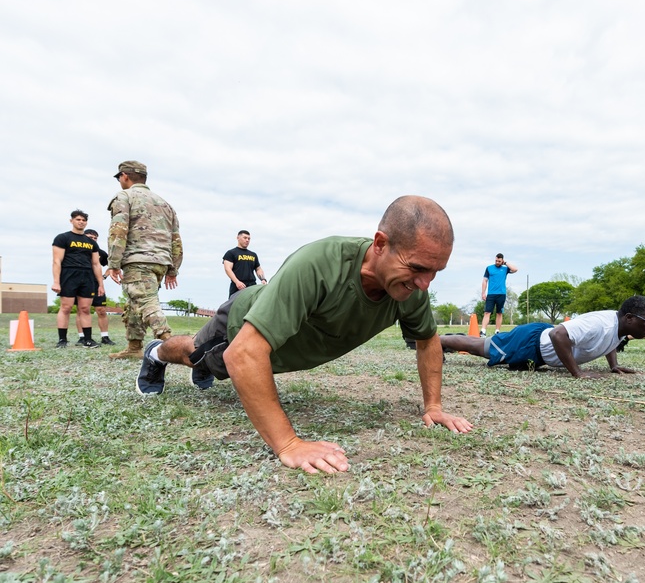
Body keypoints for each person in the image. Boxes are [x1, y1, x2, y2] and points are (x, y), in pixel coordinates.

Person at [136, 196, 473, 474]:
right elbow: (242, 354)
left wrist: (434, 405)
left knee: (213, 365)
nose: (425, 283)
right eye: (416, 268)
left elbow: (428, 339)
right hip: (240, 322)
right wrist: (288, 444)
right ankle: (154, 353)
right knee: (195, 353)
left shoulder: (411, 292)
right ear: (381, 243)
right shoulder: (320, 264)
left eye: (435, 272)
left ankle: (200, 367)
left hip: (264, 351)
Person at [441, 295, 645, 377]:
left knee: (481, 346)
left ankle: (443, 340)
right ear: (629, 317)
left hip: (539, 350)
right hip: (530, 343)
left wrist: (613, 365)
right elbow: (558, 334)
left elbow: (609, 342)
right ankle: (436, 341)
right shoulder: (600, 324)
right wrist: (577, 373)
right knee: (479, 347)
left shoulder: (618, 327)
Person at [106, 161, 183, 359]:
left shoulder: (124, 197)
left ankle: (175, 346)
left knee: (147, 302)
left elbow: (118, 231)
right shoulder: (165, 204)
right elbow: (176, 240)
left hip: (137, 259)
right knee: (135, 303)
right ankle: (134, 347)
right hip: (160, 262)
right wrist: (173, 269)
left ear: (124, 176)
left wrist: (113, 264)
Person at [51, 210, 104, 348]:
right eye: (78, 219)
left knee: (85, 308)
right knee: (66, 307)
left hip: (87, 277)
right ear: (72, 221)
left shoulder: (91, 243)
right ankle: (62, 340)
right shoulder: (63, 238)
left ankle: (87, 340)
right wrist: (56, 281)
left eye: (83, 220)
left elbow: (96, 264)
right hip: (69, 274)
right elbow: (57, 260)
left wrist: (100, 284)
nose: (81, 222)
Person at [74, 229, 115, 345]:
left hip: (96, 285)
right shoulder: (76, 251)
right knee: (81, 310)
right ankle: (82, 337)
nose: (93, 240)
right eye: (90, 237)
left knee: (101, 311)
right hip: (80, 283)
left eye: (95, 238)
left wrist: (103, 277)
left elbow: (112, 265)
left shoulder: (100, 253)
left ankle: (105, 337)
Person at [481, 253, 517, 335]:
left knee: (499, 313)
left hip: (501, 294)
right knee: (487, 312)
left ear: (502, 261)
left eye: (499, 261)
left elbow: (515, 269)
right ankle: (483, 331)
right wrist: (483, 293)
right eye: (496, 260)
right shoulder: (489, 268)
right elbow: (485, 281)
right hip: (491, 294)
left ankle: (497, 331)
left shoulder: (505, 269)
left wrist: (506, 263)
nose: (497, 262)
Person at [223, 230, 267, 297]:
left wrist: (263, 279)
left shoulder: (253, 254)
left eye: (249, 239)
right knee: (233, 306)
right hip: (237, 286)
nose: (247, 240)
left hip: (252, 286)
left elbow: (258, 269)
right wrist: (237, 282)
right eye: (245, 238)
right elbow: (227, 269)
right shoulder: (231, 253)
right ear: (238, 238)